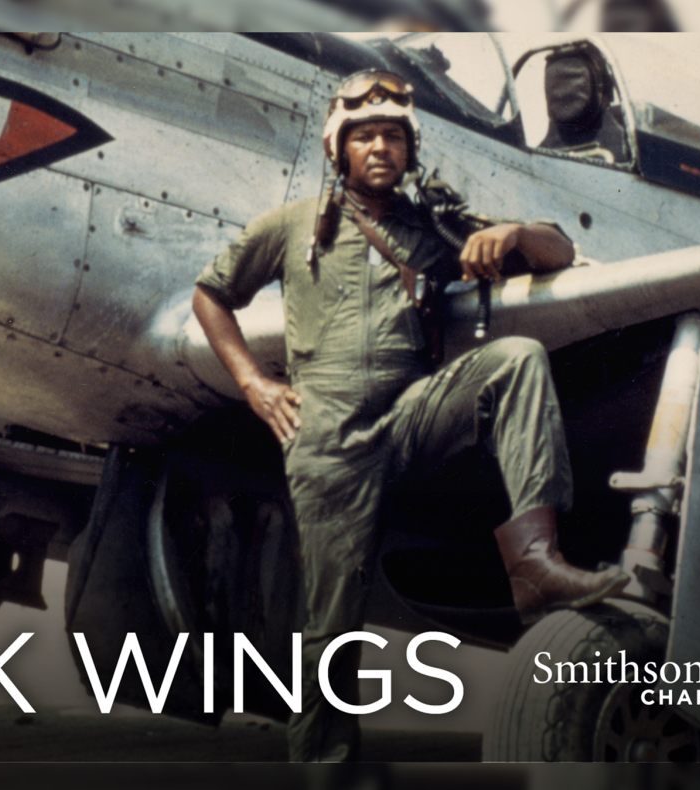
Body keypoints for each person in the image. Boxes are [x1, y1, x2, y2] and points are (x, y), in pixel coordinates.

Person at [192, 70, 628, 762]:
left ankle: (538, 561)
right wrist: (253, 383)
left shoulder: (431, 229)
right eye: (363, 135)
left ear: (408, 149)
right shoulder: (289, 226)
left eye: (392, 136)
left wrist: (513, 231)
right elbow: (212, 295)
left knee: (515, 359)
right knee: (331, 629)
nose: (379, 148)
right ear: (339, 148)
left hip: (408, 414)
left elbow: (560, 252)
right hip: (327, 438)